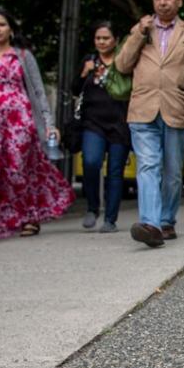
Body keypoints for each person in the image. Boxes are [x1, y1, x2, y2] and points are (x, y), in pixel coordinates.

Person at [0, 8, 76, 247]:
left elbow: (38, 92)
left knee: (17, 170)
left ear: (10, 29)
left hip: (20, 121)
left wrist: (49, 125)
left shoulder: (23, 56)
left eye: (2, 24)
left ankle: (29, 215)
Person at [116, 0, 184, 247]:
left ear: (179, 0)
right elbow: (122, 65)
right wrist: (138, 34)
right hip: (142, 109)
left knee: (172, 172)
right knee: (148, 165)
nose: (162, 2)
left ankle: (166, 220)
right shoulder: (141, 30)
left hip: (176, 109)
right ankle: (151, 224)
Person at [72, 21, 130, 233]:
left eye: (106, 38)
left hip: (120, 123)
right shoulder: (89, 60)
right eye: (98, 38)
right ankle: (92, 207)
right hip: (93, 122)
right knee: (91, 161)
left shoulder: (124, 61)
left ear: (115, 40)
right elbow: (74, 89)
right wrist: (83, 73)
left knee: (115, 171)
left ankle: (110, 220)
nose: (102, 42)